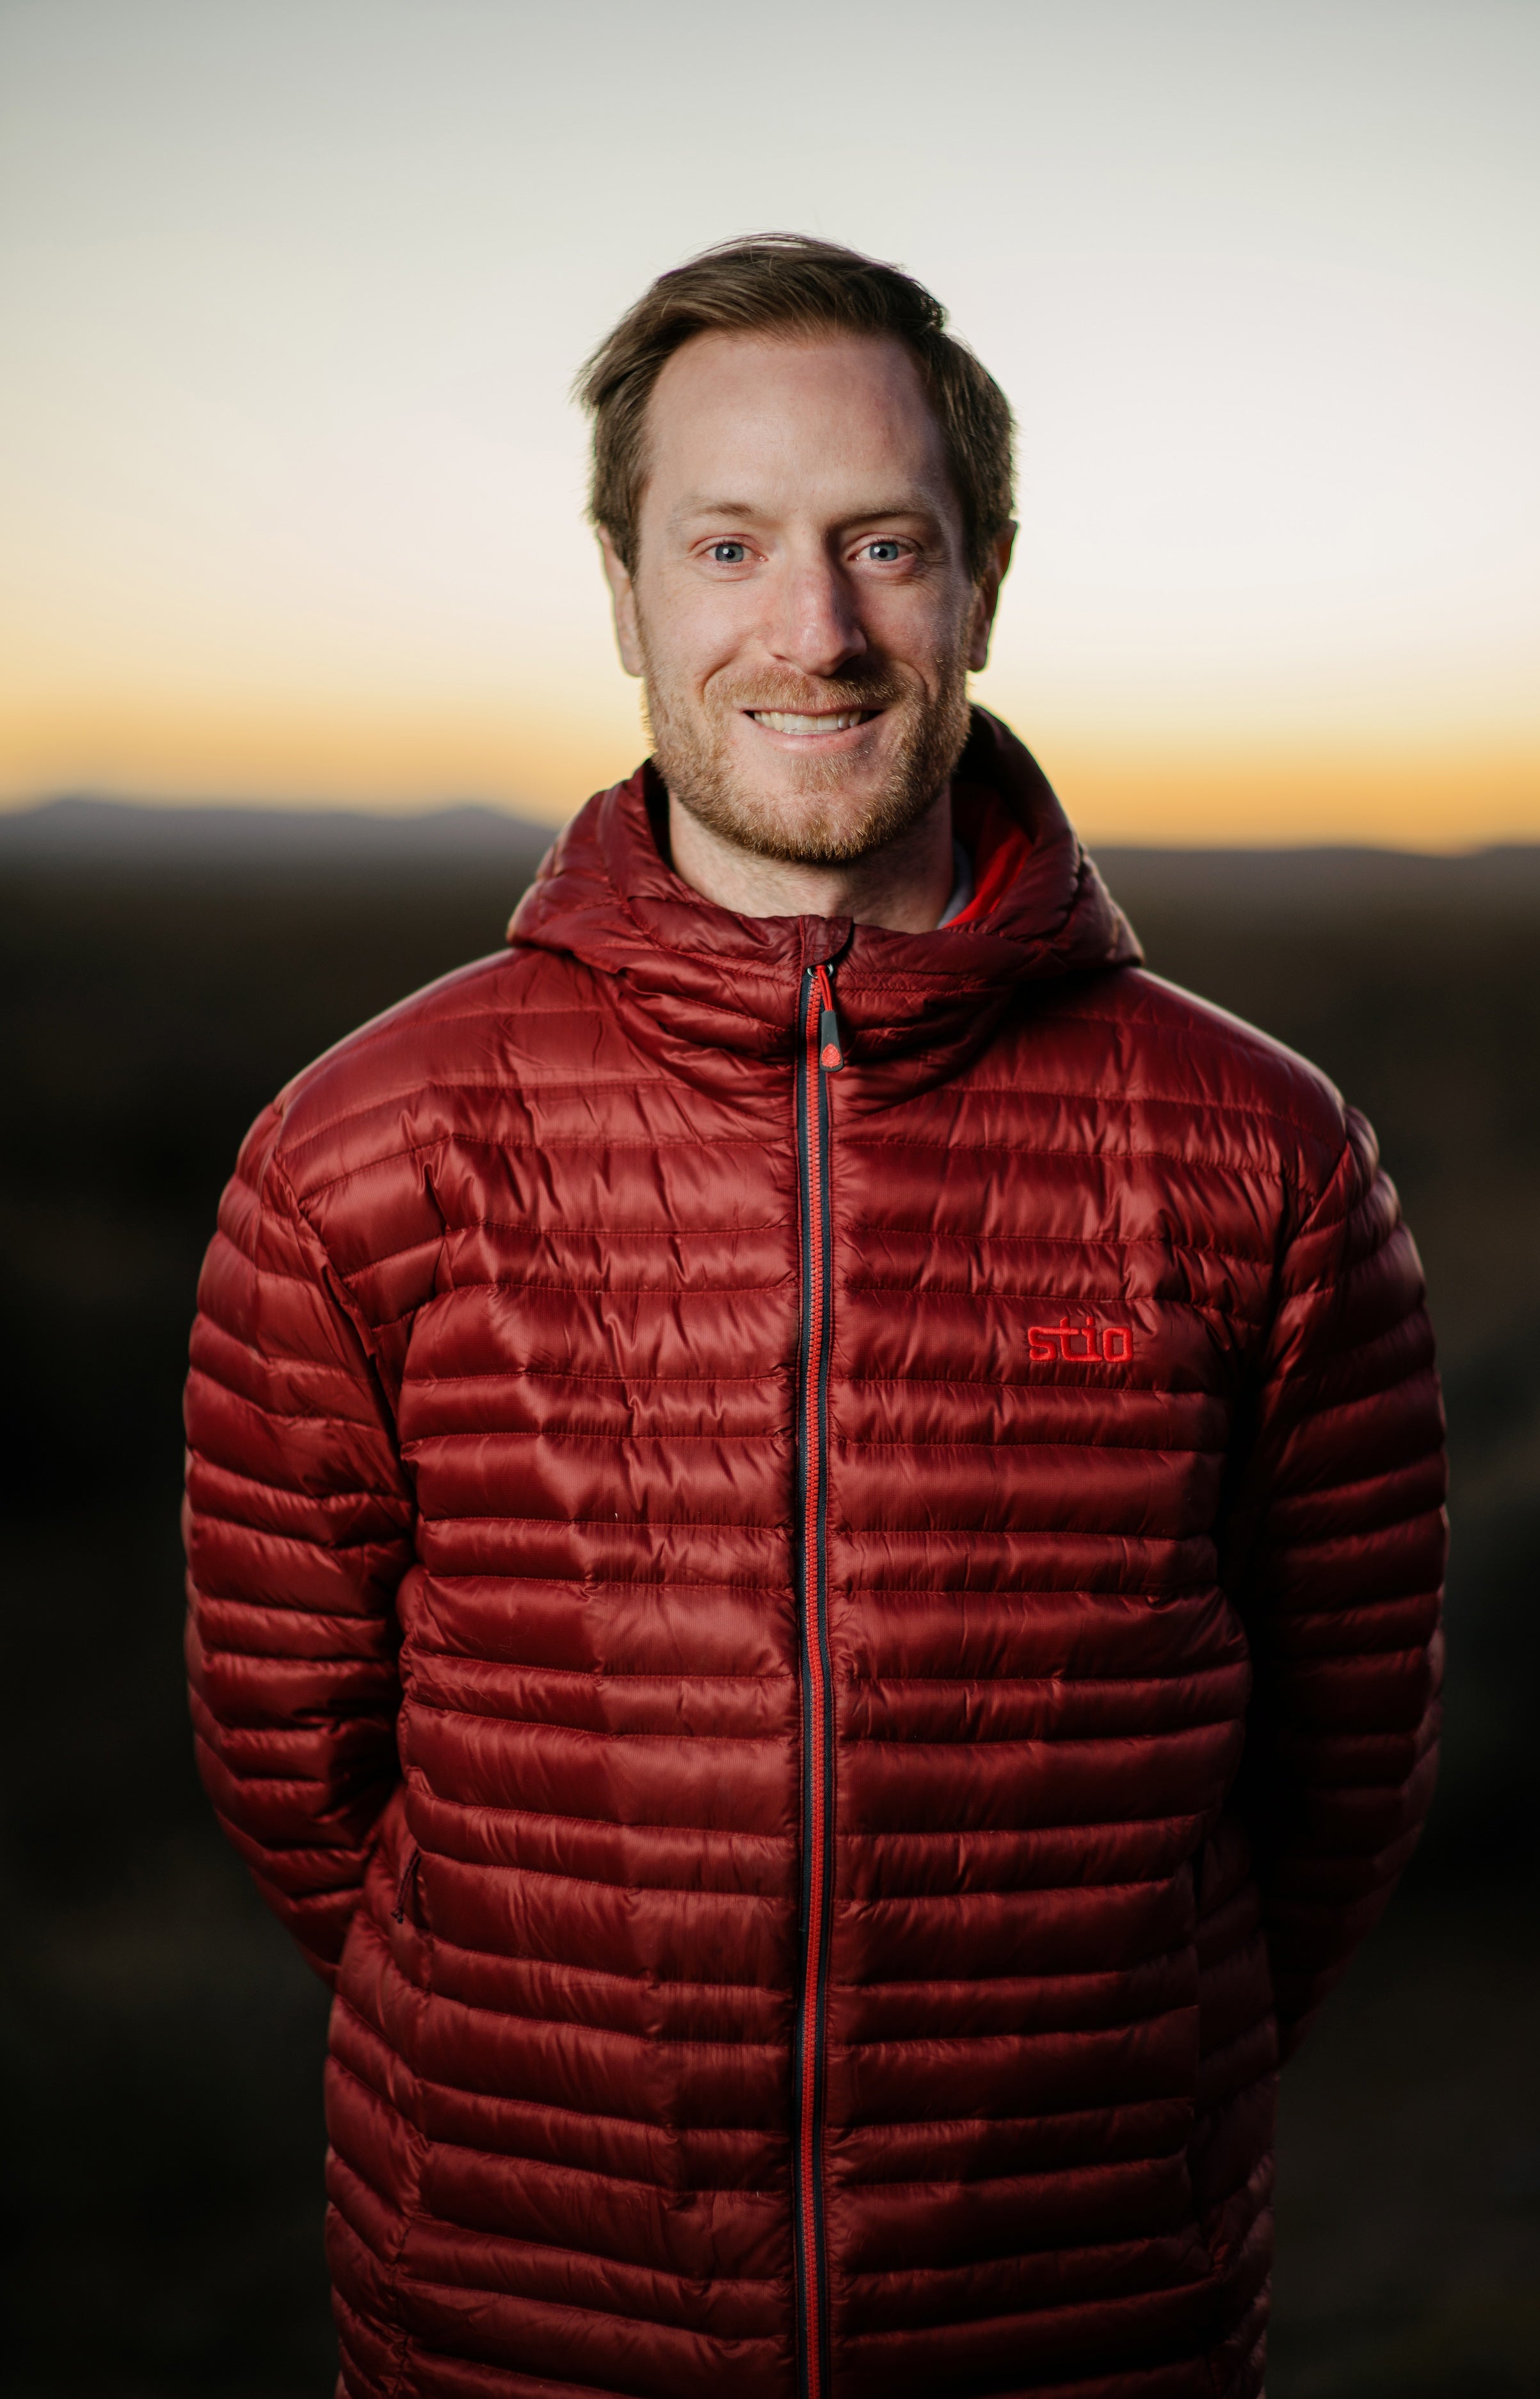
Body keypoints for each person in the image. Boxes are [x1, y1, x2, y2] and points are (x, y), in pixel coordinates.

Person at [183, 235, 1446, 2399]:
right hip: (520, 2311)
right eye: (729, 545)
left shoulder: (1263, 1154)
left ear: (984, 578)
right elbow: (300, 1783)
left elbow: (1334, 1787)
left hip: (1078, 2320)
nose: (815, 631)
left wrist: (1098, 2089)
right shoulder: (361, 1151)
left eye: (883, 543)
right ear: (622, 590)